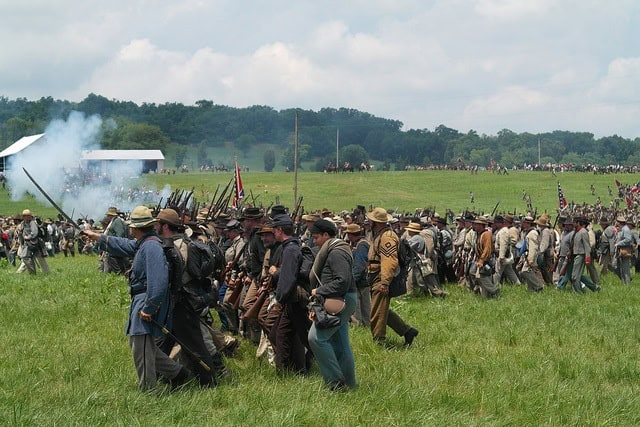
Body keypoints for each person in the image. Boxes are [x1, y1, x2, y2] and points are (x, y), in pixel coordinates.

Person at [82, 206, 190, 391]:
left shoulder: (151, 246)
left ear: (137, 228)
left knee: (142, 348)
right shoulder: (145, 243)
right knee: (139, 345)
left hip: (147, 300)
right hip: (141, 299)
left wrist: (150, 307)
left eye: (132, 226)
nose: (129, 229)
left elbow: (159, 281)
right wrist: (98, 237)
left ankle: (148, 389)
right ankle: (177, 373)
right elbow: (125, 246)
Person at [155, 208, 221, 387]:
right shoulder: (181, 243)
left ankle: (209, 382)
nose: (155, 227)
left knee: (196, 346)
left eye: (158, 224)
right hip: (177, 302)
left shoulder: (177, 247)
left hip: (182, 303)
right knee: (161, 343)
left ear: (166, 226)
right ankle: (160, 377)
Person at [307, 219, 357, 391]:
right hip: (339, 299)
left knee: (316, 338)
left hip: (340, 300)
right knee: (340, 343)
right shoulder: (333, 250)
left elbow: (342, 281)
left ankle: (335, 382)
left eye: (316, 237)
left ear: (326, 235)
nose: (314, 241)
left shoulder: (336, 253)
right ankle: (349, 385)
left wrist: (319, 291)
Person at [366, 207, 418, 346]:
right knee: (381, 310)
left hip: (380, 277)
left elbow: (389, 261)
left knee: (377, 312)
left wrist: (385, 282)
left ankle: (379, 342)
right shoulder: (380, 234)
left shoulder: (386, 237)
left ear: (375, 222)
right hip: (376, 276)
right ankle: (407, 331)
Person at [269, 214, 312, 373]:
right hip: (292, 299)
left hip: (294, 299)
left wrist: (280, 296)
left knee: (303, 338)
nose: (273, 232)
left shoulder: (290, 249)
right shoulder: (290, 247)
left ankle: (285, 371)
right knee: (279, 335)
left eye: (274, 229)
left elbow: (288, 277)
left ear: (280, 230)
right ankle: (294, 368)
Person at [345, 223, 370, 326]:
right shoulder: (361, 244)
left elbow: (359, 265)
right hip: (364, 280)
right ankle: (366, 326)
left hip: (360, 281)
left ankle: (358, 326)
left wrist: (352, 280)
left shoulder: (361, 245)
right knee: (365, 306)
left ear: (351, 235)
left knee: (358, 306)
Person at [470, 217, 499, 298]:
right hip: (481, 259)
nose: (474, 225)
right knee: (479, 276)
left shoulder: (486, 234)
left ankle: (494, 291)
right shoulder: (479, 234)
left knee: (483, 277)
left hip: (487, 259)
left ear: (481, 225)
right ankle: (486, 294)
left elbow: (487, 248)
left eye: (476, 224)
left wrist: (482, 260)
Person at [17, 209, 50, 274]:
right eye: (25, 216)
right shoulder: (23, 223)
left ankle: (47, 272)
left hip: (36, 243)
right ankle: (24, 273)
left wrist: (28, 237)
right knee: (26, 257)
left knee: (40, 258)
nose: (26, 217)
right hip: (28, 244)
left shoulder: (32, 223)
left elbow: (35, 233)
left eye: (27, 216)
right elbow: (22, 233)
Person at [101, 207, 130, 274]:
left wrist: (115, 243)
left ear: (111, 215)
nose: (107, 217)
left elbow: (120, 234)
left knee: (116, 262)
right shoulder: (114, 221)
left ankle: (119, 274)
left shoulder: (117, 221)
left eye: (108, 215)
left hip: (116, 245)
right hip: (114, 245)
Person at [614, 216, 633, 284]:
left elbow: (628, 239)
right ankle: (624, 282)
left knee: (625, 268)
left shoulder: (625, 229)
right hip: (622, 250)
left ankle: (627, 283)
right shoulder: (623, 229)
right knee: (621, 267)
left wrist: (619, 243)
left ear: (619, 222)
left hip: (625, 250)